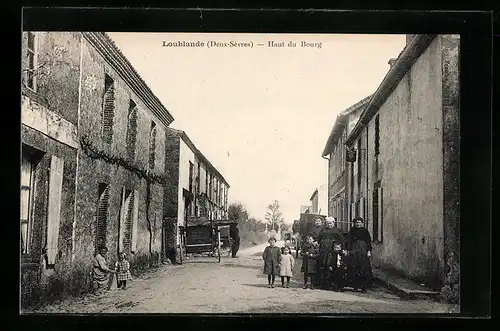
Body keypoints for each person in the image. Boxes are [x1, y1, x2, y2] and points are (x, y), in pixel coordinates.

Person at [346, 216, 373, 293]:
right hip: (354, 251)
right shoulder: (351, 231)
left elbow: (368, 242)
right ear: (354, 223)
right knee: (354, 268)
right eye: (356, 222)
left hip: (363, 251)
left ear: (362, 223)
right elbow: (349, 241)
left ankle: (363, 287)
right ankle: (355, 286)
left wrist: (368, 251)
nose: (358, 224)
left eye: (359, 222)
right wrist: (348, 250)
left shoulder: (365, 231)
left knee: (363, 269)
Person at [317, 217, 345, 289]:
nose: (329, 225)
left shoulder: (337, 231)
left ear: (333, 223)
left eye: (330, 223)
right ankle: (324, 284)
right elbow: (319, 239)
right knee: (324, 265)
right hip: (324, 250)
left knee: (332, 266)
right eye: (327, 223)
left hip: (333, 251)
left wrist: (342, 249)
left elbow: (342, 240)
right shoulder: (323, 230)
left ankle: (333, 283)